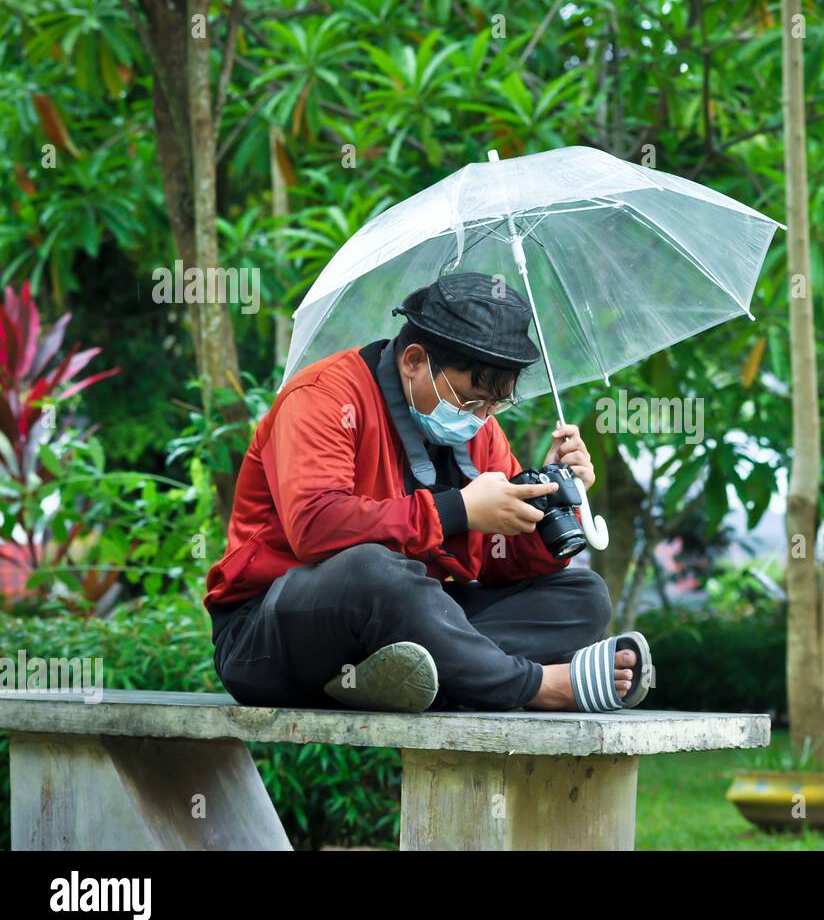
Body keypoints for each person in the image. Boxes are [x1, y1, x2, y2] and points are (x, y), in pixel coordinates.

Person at [203, 271, 652, 714]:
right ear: (413, 360)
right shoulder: (323, 397)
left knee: (582, 595)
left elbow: (502, 565)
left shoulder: (481, 430)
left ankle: (407, 678)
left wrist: (548, 503)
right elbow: (315, 527)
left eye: (496, 404)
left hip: (403, 623)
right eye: (471, 400)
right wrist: (456, 510)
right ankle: (535, 686)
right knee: (375, 571)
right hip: (268, 633)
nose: (482, 416)